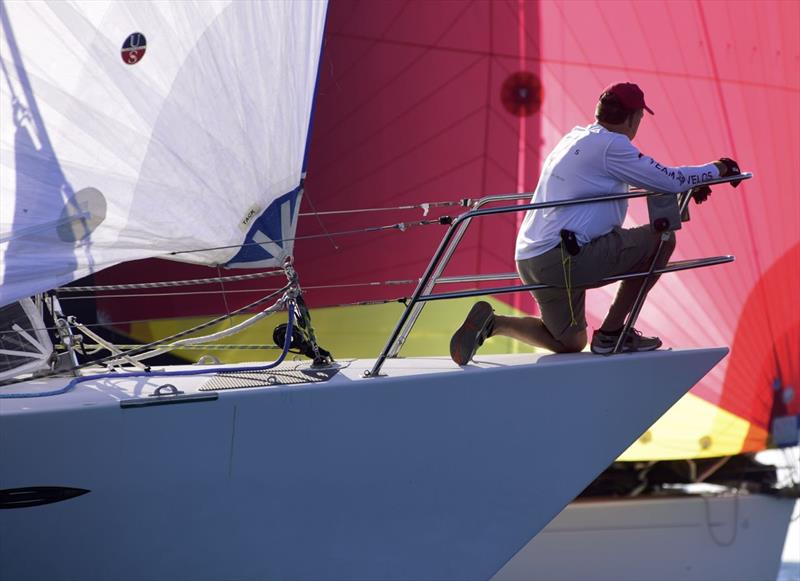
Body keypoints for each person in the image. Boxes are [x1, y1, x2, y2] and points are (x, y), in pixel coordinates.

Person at [450, 82, 740, 364]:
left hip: (531, 258)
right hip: (565, 259)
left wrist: (687, 185)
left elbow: (659, 182)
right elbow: (668, 179)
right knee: (662, 239)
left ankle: (494, 324)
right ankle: (612, 334)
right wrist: (718, 169)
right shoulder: (612, 145)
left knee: (570, 343)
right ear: (633, 118)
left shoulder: (577, 136)